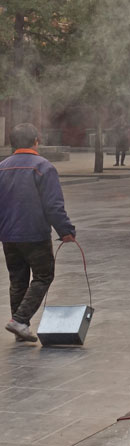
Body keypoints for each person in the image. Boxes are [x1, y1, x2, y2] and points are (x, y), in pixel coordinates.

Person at [0, 123, 77, 343]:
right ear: (36, 141)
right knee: (44, 275)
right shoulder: (43, 167)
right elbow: (53, 205)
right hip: (34, 234)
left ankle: (20, 329)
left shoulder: (2, 167)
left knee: (18, 280)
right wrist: (66, 231)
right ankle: (20, 320)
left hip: (8, 236)